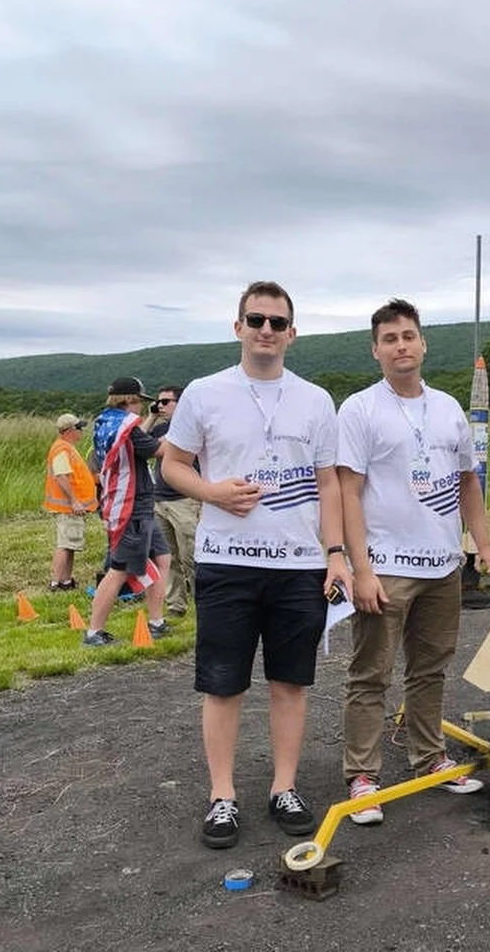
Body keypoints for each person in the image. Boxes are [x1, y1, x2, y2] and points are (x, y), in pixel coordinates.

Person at [161, 280, 352, 848]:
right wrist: (213, 491)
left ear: (291, 333)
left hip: (299, 566)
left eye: (276, 322)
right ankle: (223, 796)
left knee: (290, 683)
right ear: (237, 326)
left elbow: (329, 484)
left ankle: (284, 787)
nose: (265, 330)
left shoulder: (316, 399)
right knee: (223, 686)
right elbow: (172, 465)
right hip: (227, 561)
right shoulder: (203, 392)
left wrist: (336, 554)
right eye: (256, 319)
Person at [337, 299, 490, 826]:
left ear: (423, 343)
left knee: (429, 671)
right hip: (385, 566)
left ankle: (429, 758)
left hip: (443, 565)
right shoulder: (360, 409)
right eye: (390, 339)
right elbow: (348, 492)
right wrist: (361, 569)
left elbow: (467, 481)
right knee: (371, 673)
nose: (401, 346)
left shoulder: (449, 407)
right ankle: (363, 775)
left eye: (409, 336)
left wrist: (483, 540)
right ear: (376, 350)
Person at [87, 377, 173, 646]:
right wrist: (184, 427)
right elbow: (159, 449)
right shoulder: (126, 427)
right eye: (139, 402)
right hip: (131, 506)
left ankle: (157, 622)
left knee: (162, 558)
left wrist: (150, 421)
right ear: (130, 401)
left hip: (137, 503)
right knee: (119, 569)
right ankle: (93, 632)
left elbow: (137, 443)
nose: (140, 408)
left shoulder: (108, 422)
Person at [150, 385, 199, 618]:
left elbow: (159, 450)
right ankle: (175, 604)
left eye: (166, 402)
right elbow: (135, 442)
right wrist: (150, 417)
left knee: (191, 555)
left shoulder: (192, 427)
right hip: (159, 499)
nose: (160, 406)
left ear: (180, 404)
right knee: (167, 558)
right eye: (158, 402)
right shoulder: (159, 427)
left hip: (184, 500)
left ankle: (204, 601)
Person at [43, 413, 97, 591]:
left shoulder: (67, 447)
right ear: (70, 430)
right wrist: (74, 501)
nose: (81, 432)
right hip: (68, 508)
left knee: (70, 545)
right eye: (79, 428)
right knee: (65, 545)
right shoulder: (61, 450)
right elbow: (62, 477)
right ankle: (56, 583)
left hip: (71, 508)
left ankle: (66, 581)